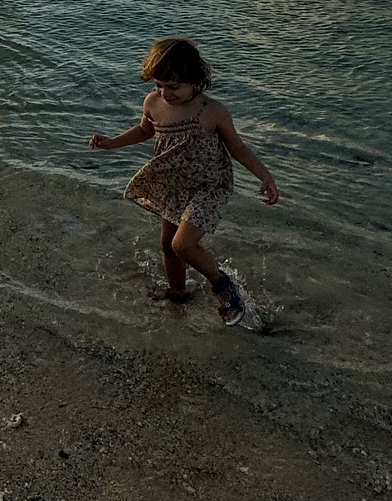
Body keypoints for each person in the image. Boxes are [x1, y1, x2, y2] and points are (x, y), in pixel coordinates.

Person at [88, 37, 278, 325]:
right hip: (173, 184)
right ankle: (178, 291)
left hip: (209, 187)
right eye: (158, 85)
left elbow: (237, 148)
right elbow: (145, 131)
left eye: (173, 87)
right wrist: (112, 143)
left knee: (182, 245)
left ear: (195, 81)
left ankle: (223, 286)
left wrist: (265, 176)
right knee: (167, 245)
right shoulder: (153, 103)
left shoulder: (211, 111)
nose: (165, 93)